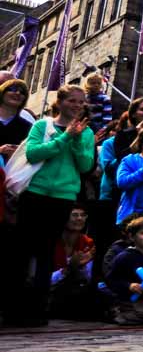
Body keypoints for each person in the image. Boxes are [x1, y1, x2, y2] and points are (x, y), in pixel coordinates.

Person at [9, 84, 95, 326]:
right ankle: (15, 308)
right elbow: (34, 154)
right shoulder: (41, 126)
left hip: (63, 196)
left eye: (81, 102)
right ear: (61, 101)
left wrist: (77, 140)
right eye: (72, 101)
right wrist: (65, 136)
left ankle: (37, 309)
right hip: (35, 192)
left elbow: (85, 165)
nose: (77, 106)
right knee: (23, 250)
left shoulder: (86, 132)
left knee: (46, 250)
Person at [48, 204, 104, 321]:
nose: (79, 219)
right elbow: (41, 280)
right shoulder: (51, 241)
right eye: (74, 215)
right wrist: (68, 269)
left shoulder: (88, 242)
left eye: (83, 215)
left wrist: (81, 266)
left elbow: (88, 279)